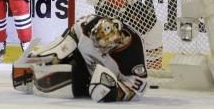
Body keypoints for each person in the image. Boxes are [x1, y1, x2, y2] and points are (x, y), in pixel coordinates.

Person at [12, 14, 147, 102]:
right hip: (81, 57)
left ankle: (39, 79)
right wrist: (52, 57)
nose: (97, 48)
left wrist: (116, 92)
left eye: (101, 47)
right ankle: (32, 66)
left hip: (95, 78)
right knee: (59, 53)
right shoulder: (91, 24)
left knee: (71, 80)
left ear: (114, 44)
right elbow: (72, 34)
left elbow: (138, 87)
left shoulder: (134, 53)